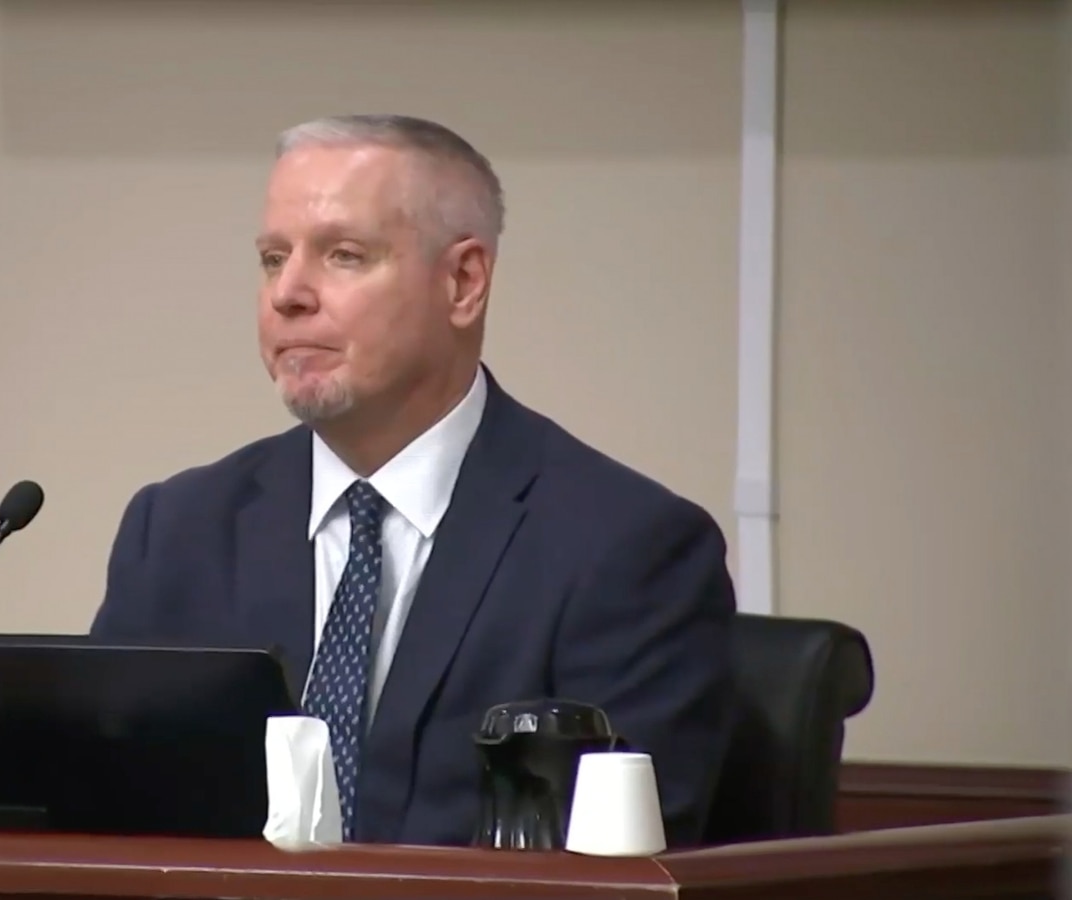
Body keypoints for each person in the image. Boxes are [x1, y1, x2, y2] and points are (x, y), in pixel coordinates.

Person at [89, 114, 737, 848]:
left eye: (343, 255)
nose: (288, 294)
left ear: (463, 283)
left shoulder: (626, 547)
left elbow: (611, 869)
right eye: (273, 259)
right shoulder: (178, 531)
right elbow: (103, 810)